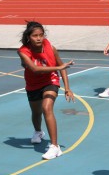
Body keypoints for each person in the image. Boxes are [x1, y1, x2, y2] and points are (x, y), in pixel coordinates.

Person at [17, 21, 75, 160]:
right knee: (36, 112)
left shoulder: (50, 47)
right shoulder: (23, 51)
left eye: (41, 35)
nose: (39, 38)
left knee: (46, 108)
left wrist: (67, 88)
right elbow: (35, 69)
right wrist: (58, 68)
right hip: (33, 84)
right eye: (35, 35)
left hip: (50, 81)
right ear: (28, 37)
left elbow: (62, 66)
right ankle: (38, 132)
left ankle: (55, 147)